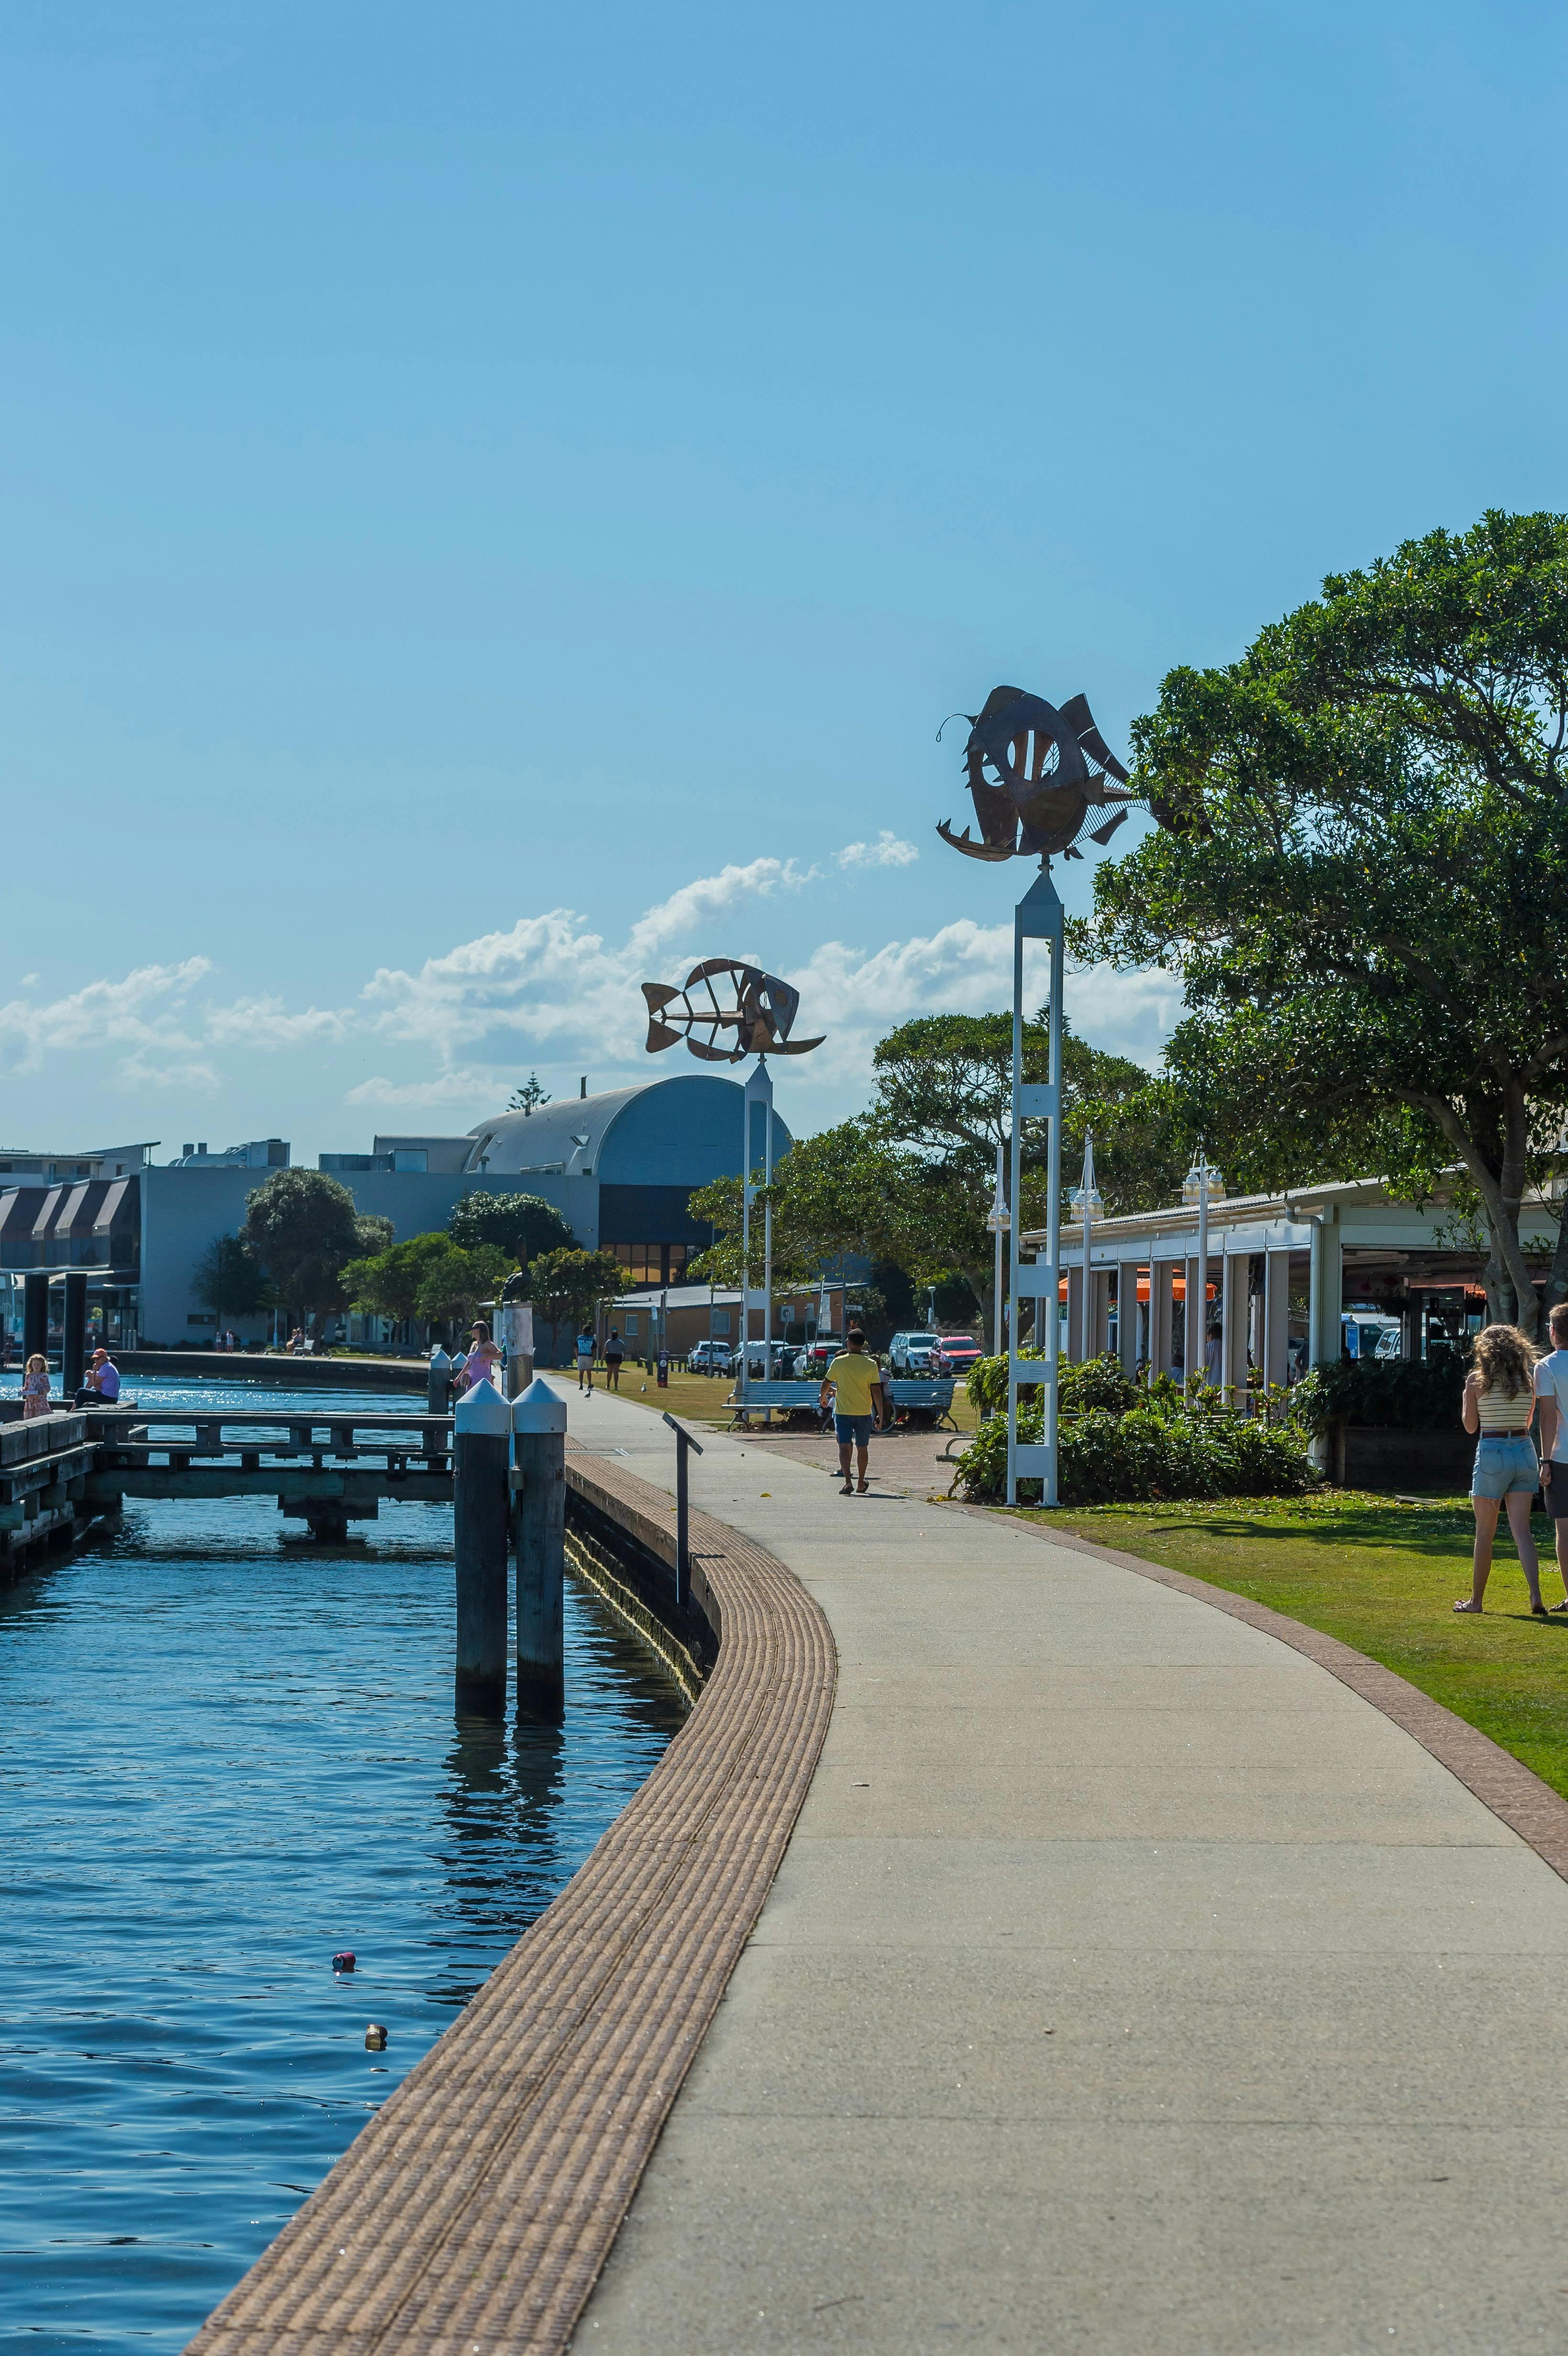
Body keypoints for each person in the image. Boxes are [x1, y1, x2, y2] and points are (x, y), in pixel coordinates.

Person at [1455, 1322, 1547, 1615]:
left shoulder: (1476, 1381)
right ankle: (1536, 1596)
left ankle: (1477, 1602)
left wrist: (1466, 1397)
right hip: (1523, 1450)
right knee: (1523, 1531)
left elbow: (1471, 1427)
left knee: (1485, 1533)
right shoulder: (1529, 1381)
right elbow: (1529, 1421)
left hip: (1493, 1449)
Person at [818, 1326, 885, 1496]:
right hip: (864, 1413)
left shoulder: (839, 1362)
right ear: (863, 1344)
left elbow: (826, 1383)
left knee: (844, 1446)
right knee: (863, 1448)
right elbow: (876, 1391)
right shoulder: (870, 1364)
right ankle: (861, 1482)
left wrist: (823, 1398)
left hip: (843, 1413)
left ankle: (848, 1481)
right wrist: (881, 1414)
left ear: (848, 1344)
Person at [1533, 1301, 1568, 1610]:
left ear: (1554, 1331)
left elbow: (1546, 1416)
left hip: (1562, 1456)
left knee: (1565, 1530)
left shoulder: (1546, 1366)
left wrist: (1544, 1460)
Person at [461, 1322, 501, 1391]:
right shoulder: (474, 1344)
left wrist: (487, 1356)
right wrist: (459, 1377)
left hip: (483, 1379)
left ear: (479, 1330)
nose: (471, 1331)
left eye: (473, 1329)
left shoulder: (487, 1344)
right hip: (471, 1380)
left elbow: (500, 1355)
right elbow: (469, 1363)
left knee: (482, 1399)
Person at [21, 1353, 50, 1419]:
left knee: (42, 1419)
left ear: (42, 1365)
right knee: (30, 1419)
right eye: (35, 1364)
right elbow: (26, 1388)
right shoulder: (28, 1376)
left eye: (38, 1364)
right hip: (30, 1401)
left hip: (40, 1401)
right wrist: (22, 1391)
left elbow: (48, 1388)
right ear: (31, 1365)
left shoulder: (44, 1376)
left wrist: (44, 1390)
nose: (36, 1366)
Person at [576, 1326, 596, 1393]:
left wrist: (577, 1357)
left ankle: (581, 1385)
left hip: (581, 1356)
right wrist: (594, 1358)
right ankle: (589, 1384)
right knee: (589, 1372)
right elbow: (594, 1350)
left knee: (581, 1372)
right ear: (589, 1331)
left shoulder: (579, 1338)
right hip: (589, 1356)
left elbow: (576, 1348)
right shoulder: (592, 1339)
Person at [604, 1327, 625, 1391]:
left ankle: (608, 1385)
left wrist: (602, 1359)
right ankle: (616, 1386)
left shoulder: (608, 1342)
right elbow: (624, 1349)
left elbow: (605, 1350)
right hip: (618, 1356)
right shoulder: (621, 1342)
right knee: (616, 1371)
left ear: (611, 1336)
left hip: (610, 1356)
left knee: (609, 1371)